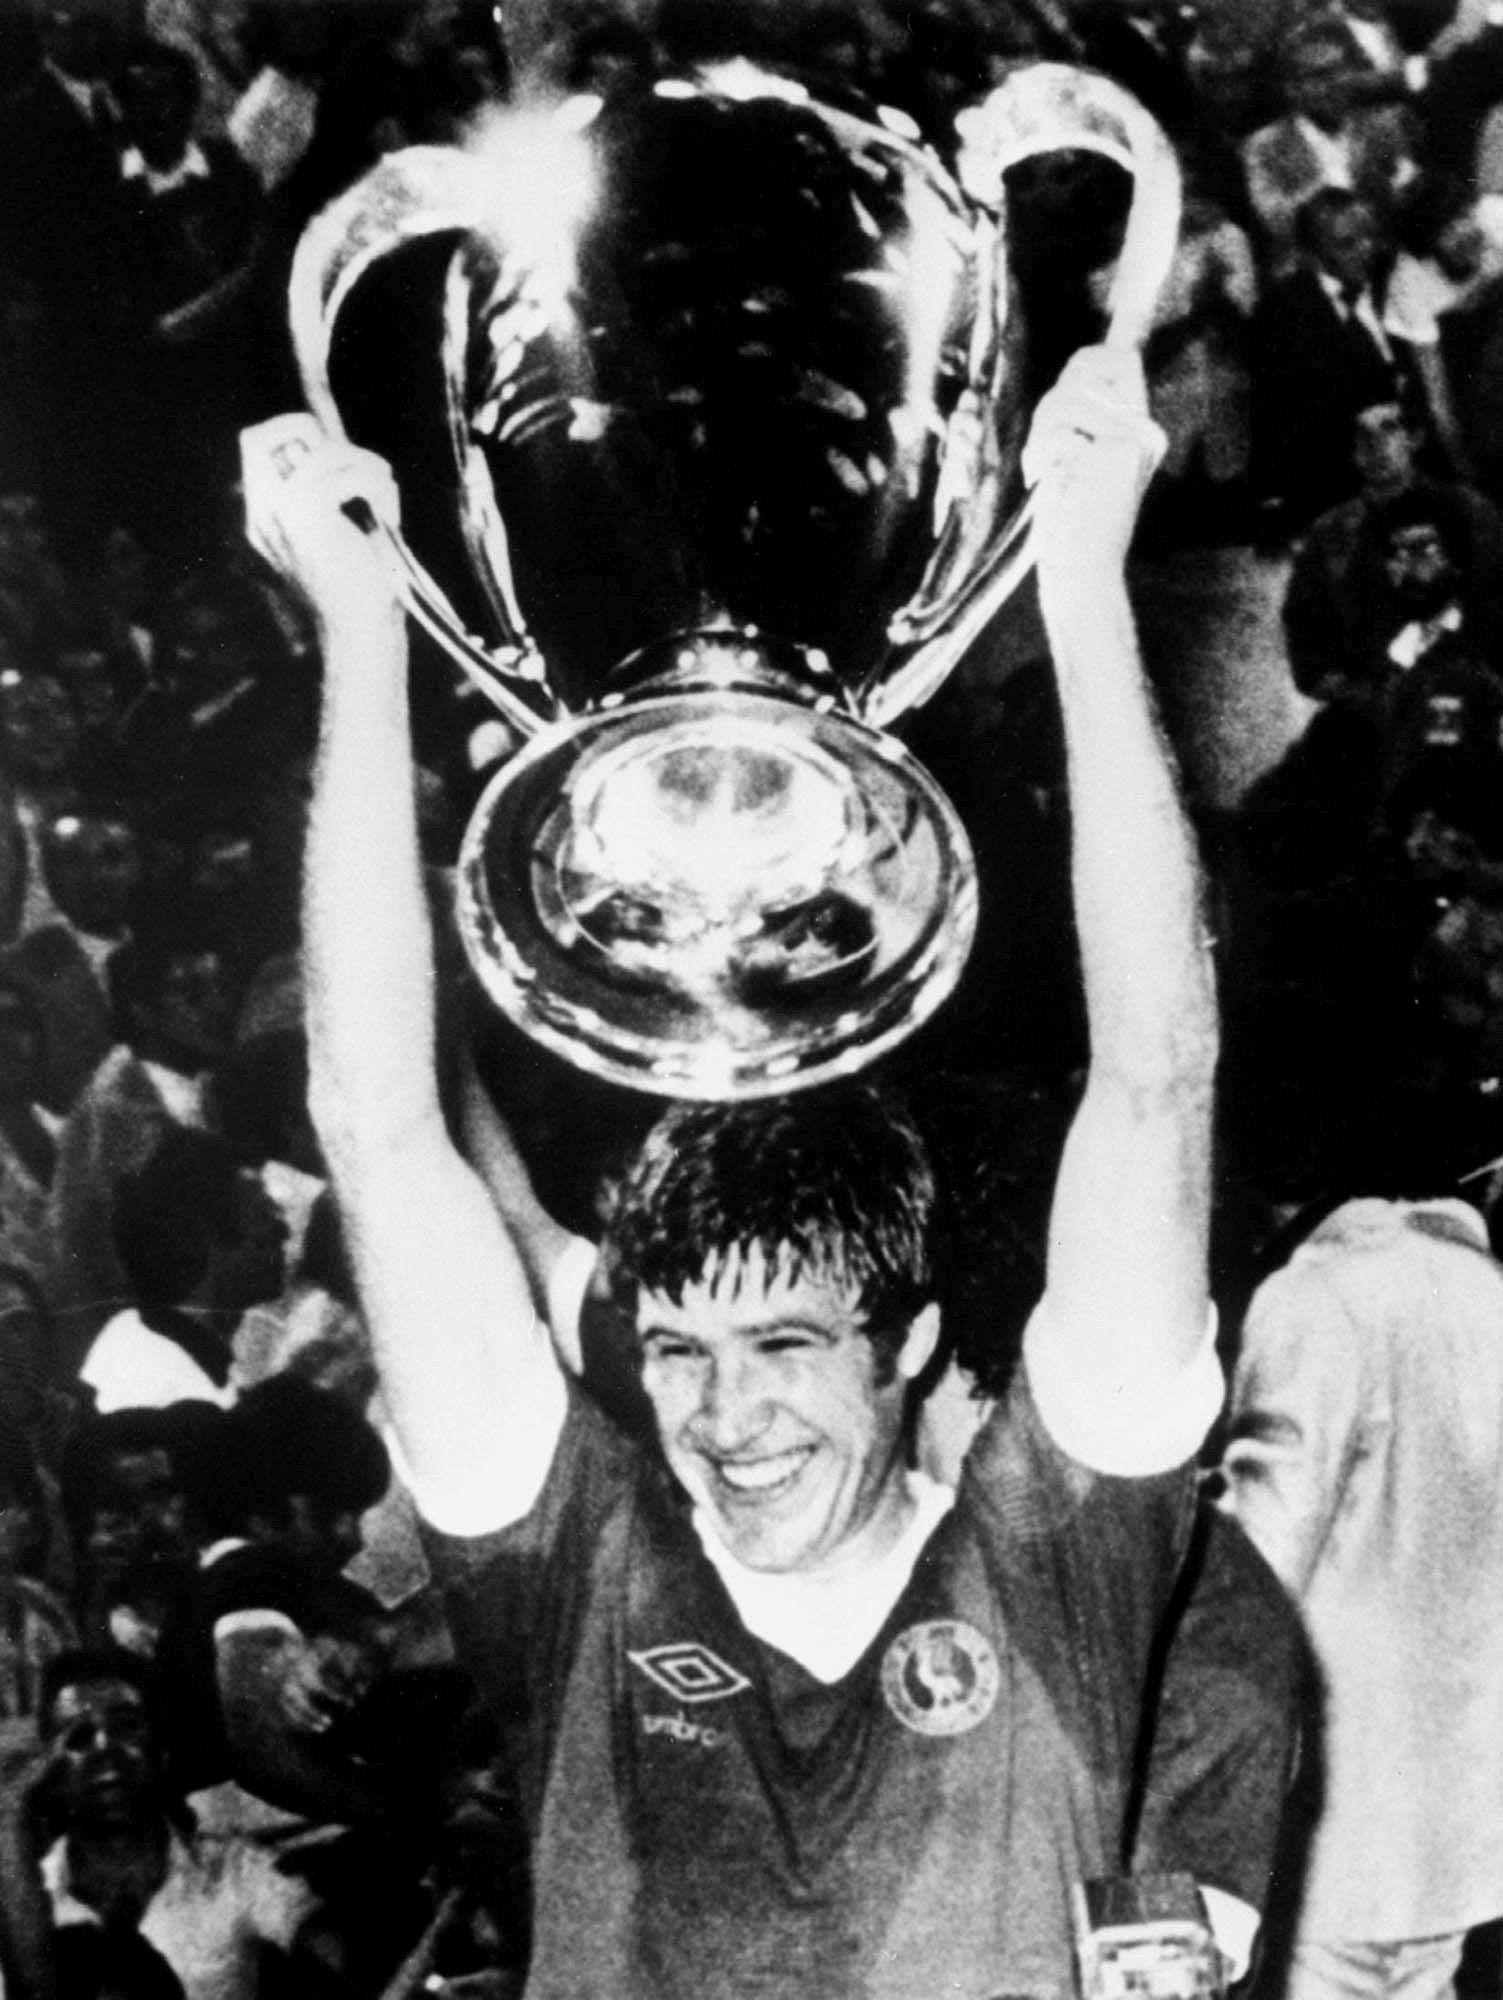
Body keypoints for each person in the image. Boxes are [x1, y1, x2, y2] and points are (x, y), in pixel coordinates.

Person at [244, 341, 1232, 1995]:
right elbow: (375, 1128)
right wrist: (357, 637)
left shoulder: (1053, 1553)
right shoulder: (576, 1572)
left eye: (781, 1343)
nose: (723, 1415)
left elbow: (1155, 1077)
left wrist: (1078, 578)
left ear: (908, 1343)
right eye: (679, 1350)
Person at [1219, 1193, 1503, 2000]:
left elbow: (1255, 1569)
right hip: (1465, 1826)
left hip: (1333, 1826)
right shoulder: (1488, 1292)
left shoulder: (1315, 1296)